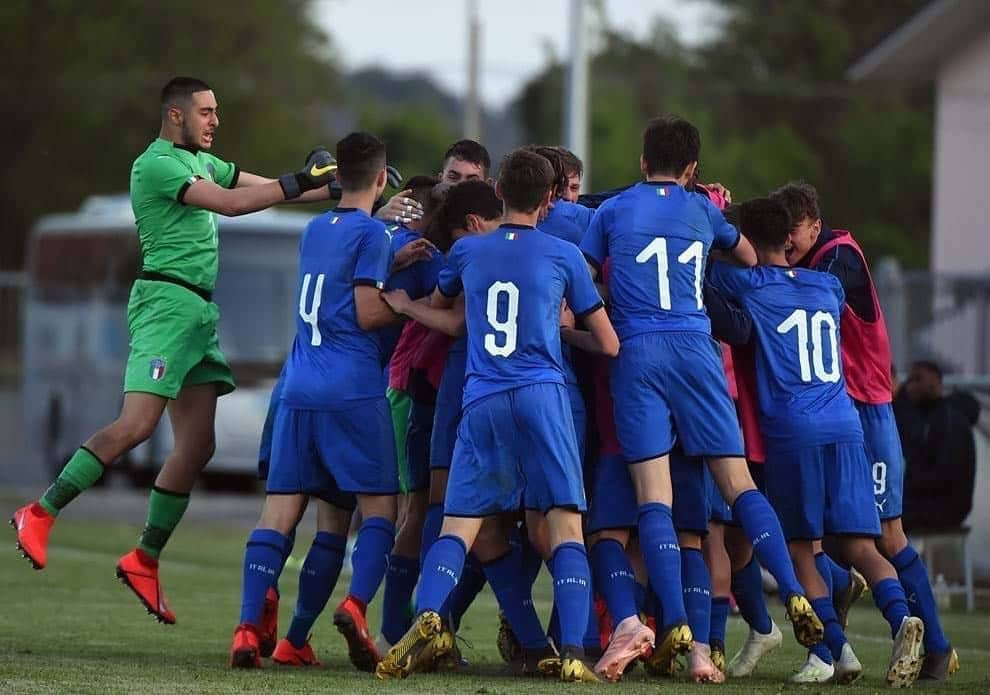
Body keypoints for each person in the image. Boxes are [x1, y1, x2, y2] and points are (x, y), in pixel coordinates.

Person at [10, 76, 336, 624]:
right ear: (175, 115)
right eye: (206, 112)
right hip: (165, 304)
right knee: (137, 425)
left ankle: (144, 557)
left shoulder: (204, 162)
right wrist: (302, 178)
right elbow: (233, 206)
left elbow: (264, 190)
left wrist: (341, 190)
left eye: (217, 112)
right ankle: (38, 512)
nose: (215, 121)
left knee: (197, 445)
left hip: (198, 314)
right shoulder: (156, 164)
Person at [579, 115, 821, 664]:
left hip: (636, 351)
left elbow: (587, 269)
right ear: (691, 169)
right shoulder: (701, 209)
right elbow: (748, 255)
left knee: (653, 499)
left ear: (642, 162)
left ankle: (680, 627)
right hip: (695, 348)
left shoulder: (615, 210)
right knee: (737, 484)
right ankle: (795, 591)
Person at [377, 148, 619, 683]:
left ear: (500, 194)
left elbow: (449, 315)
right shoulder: (564, 255)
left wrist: (404, 305)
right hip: (543, 395)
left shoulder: (468, 254)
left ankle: (429, 617)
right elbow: (607, 343)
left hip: (482, 397)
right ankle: (574, 651)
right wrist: (560, 331)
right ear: (550, 199)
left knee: (459, 524)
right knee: (566, 529)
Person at [710, 197, 925, 686]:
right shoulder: (826, 284)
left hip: (793, 431)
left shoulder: (747, 283)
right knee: (862, 546)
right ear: (790, 237)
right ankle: (900, 619)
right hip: (845, 425)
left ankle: (829, 652)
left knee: (802, 549)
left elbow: (708, 267)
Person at [229, 132, 402, 670]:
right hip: (351, 389)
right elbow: (369, 312)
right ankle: (355, 605)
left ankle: (252, 631)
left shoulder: (312, 230)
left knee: (281, 511)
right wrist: (407, 300)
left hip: (298, 388)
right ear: (380, 179)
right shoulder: (375, 234)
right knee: (380, 508)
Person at [776, 182, 958, 682]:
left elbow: (820, 301)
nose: (787, 243)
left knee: (881, 533)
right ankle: (842, 588)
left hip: (867, 414)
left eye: (791, 233)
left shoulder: (839, 257)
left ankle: (936, 646)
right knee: (818, 536)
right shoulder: (814, 258)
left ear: (814, 223)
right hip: (834, 417)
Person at [897, 360, 979, 532]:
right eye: (910, 380)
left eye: (918, 379)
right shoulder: (929, 418)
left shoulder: (949, 419)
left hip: (942, 508)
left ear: (935, 381)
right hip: (932, 504)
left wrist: (906, 486)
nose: (911, 386)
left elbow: (944, 474)